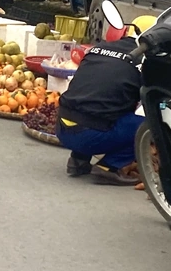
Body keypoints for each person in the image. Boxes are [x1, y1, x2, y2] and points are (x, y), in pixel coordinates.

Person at [56, 16, 157, 185]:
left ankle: (78, 160)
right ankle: (108, 167)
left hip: (61, 127)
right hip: (90, 135)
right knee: (151, 124)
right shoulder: (145, 61)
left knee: (96, 104)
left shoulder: (99, 48)